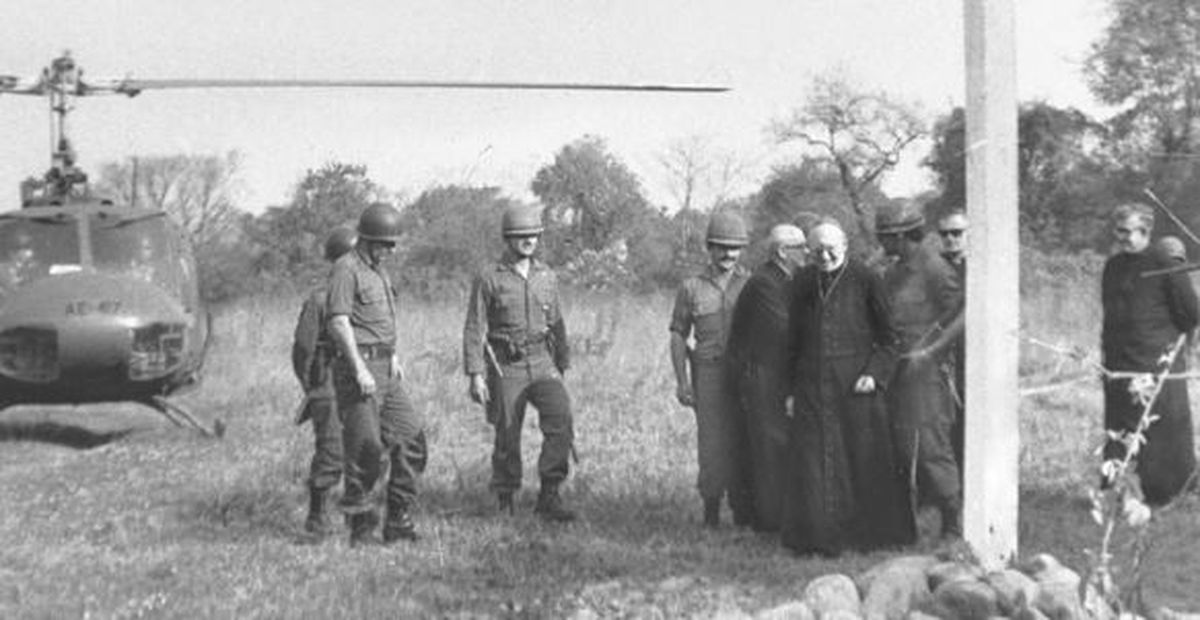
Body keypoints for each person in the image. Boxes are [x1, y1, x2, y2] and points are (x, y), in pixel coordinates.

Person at [781, 220, 915, 556]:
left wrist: (875, 373)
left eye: (831, 249)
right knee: (813, 461)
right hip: (812, 384)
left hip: (856, 387)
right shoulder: (802, 282)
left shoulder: (867, 279)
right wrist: (790, 390)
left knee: (861, 459)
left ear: (845, 247)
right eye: (816, 251)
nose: (824, 256)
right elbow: (792, 341)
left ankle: (869, 538)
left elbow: (890, 339)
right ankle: (817, 538)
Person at [462, 204, 577, 522]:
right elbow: (475, 326)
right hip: (506, 364)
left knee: (561, 420)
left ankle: (550, 494)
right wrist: (475, 374)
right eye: (521, 236)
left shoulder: (547, 277)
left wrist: (562, 362)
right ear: (508, 238)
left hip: (542, 361)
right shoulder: (489, 277)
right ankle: (505, 497)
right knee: (507, 432)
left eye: (533, 235)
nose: (528, 241)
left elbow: (557, 324)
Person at [327, 203, 428, 545]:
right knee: (365, 451)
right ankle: (361, 528)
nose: (391, 250)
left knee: (412, 440)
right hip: (361, 370)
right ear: (368, 240)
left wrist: (394, 355)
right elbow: (339, 322)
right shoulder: (346, 269)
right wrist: (358, 368)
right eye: (386, 244)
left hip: (386, 367)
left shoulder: (379, 272)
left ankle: (398, 519)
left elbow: (382, 319)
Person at [877, 200, 965, 540]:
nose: (882, 244)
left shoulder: (936, 268)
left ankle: (953, 522)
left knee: (931, 448)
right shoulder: (893, 271)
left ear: (902, 236)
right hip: (898, 370)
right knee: (902, 445)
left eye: (886, 237)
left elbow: (960, 316)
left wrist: (930, 352)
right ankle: (907, 520)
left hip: (928, 374)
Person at [1101, 203, 1199, 506]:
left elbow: (1192, 313)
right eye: (1122, 231)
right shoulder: (1113, 267)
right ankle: (1119, 491)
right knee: (1121, 431)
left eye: (1134, 231)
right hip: (1119, 364)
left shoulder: (1165, 262)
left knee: (1161, 433)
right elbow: (1111, 314)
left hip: (1157, 366)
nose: (1128, 238)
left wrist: (1165, 342)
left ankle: (1170, 495)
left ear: (1147, 231)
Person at [670, 210, 754, 528]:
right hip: (708, 373)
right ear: (709, 247)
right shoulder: (691, 287)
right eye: (720, 246)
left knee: (744, 438)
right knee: (712, 443)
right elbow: (678, 334)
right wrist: (682, 382)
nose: (728, 254)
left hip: (744, 375)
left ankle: (744, 508)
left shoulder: (751, 284)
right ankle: (711, 510)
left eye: (734, 247)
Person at [726, 223, 806, 532]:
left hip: (772, 372)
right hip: (759, 374)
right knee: (769, 446)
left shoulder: (783, 279)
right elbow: (784, 329)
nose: (808, 254)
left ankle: (770, 515)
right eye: (801, 248)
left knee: (773, 444)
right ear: (783, 252)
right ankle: (769, 521)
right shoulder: (765, 284)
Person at [291, 226, 357, 540]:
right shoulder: (320, 300)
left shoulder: (366, 295)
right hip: (328, 379)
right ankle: (317, 516)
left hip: (360, 380)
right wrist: (313, 387)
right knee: (331, 449)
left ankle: (357, 512)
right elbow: (303, 348)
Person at [936, 209, 968, 480]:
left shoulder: (982, 269)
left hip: (974, 354)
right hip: (942, 356)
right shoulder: (935, 269)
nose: (950, 239)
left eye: (956, 233)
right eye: (944, 234)